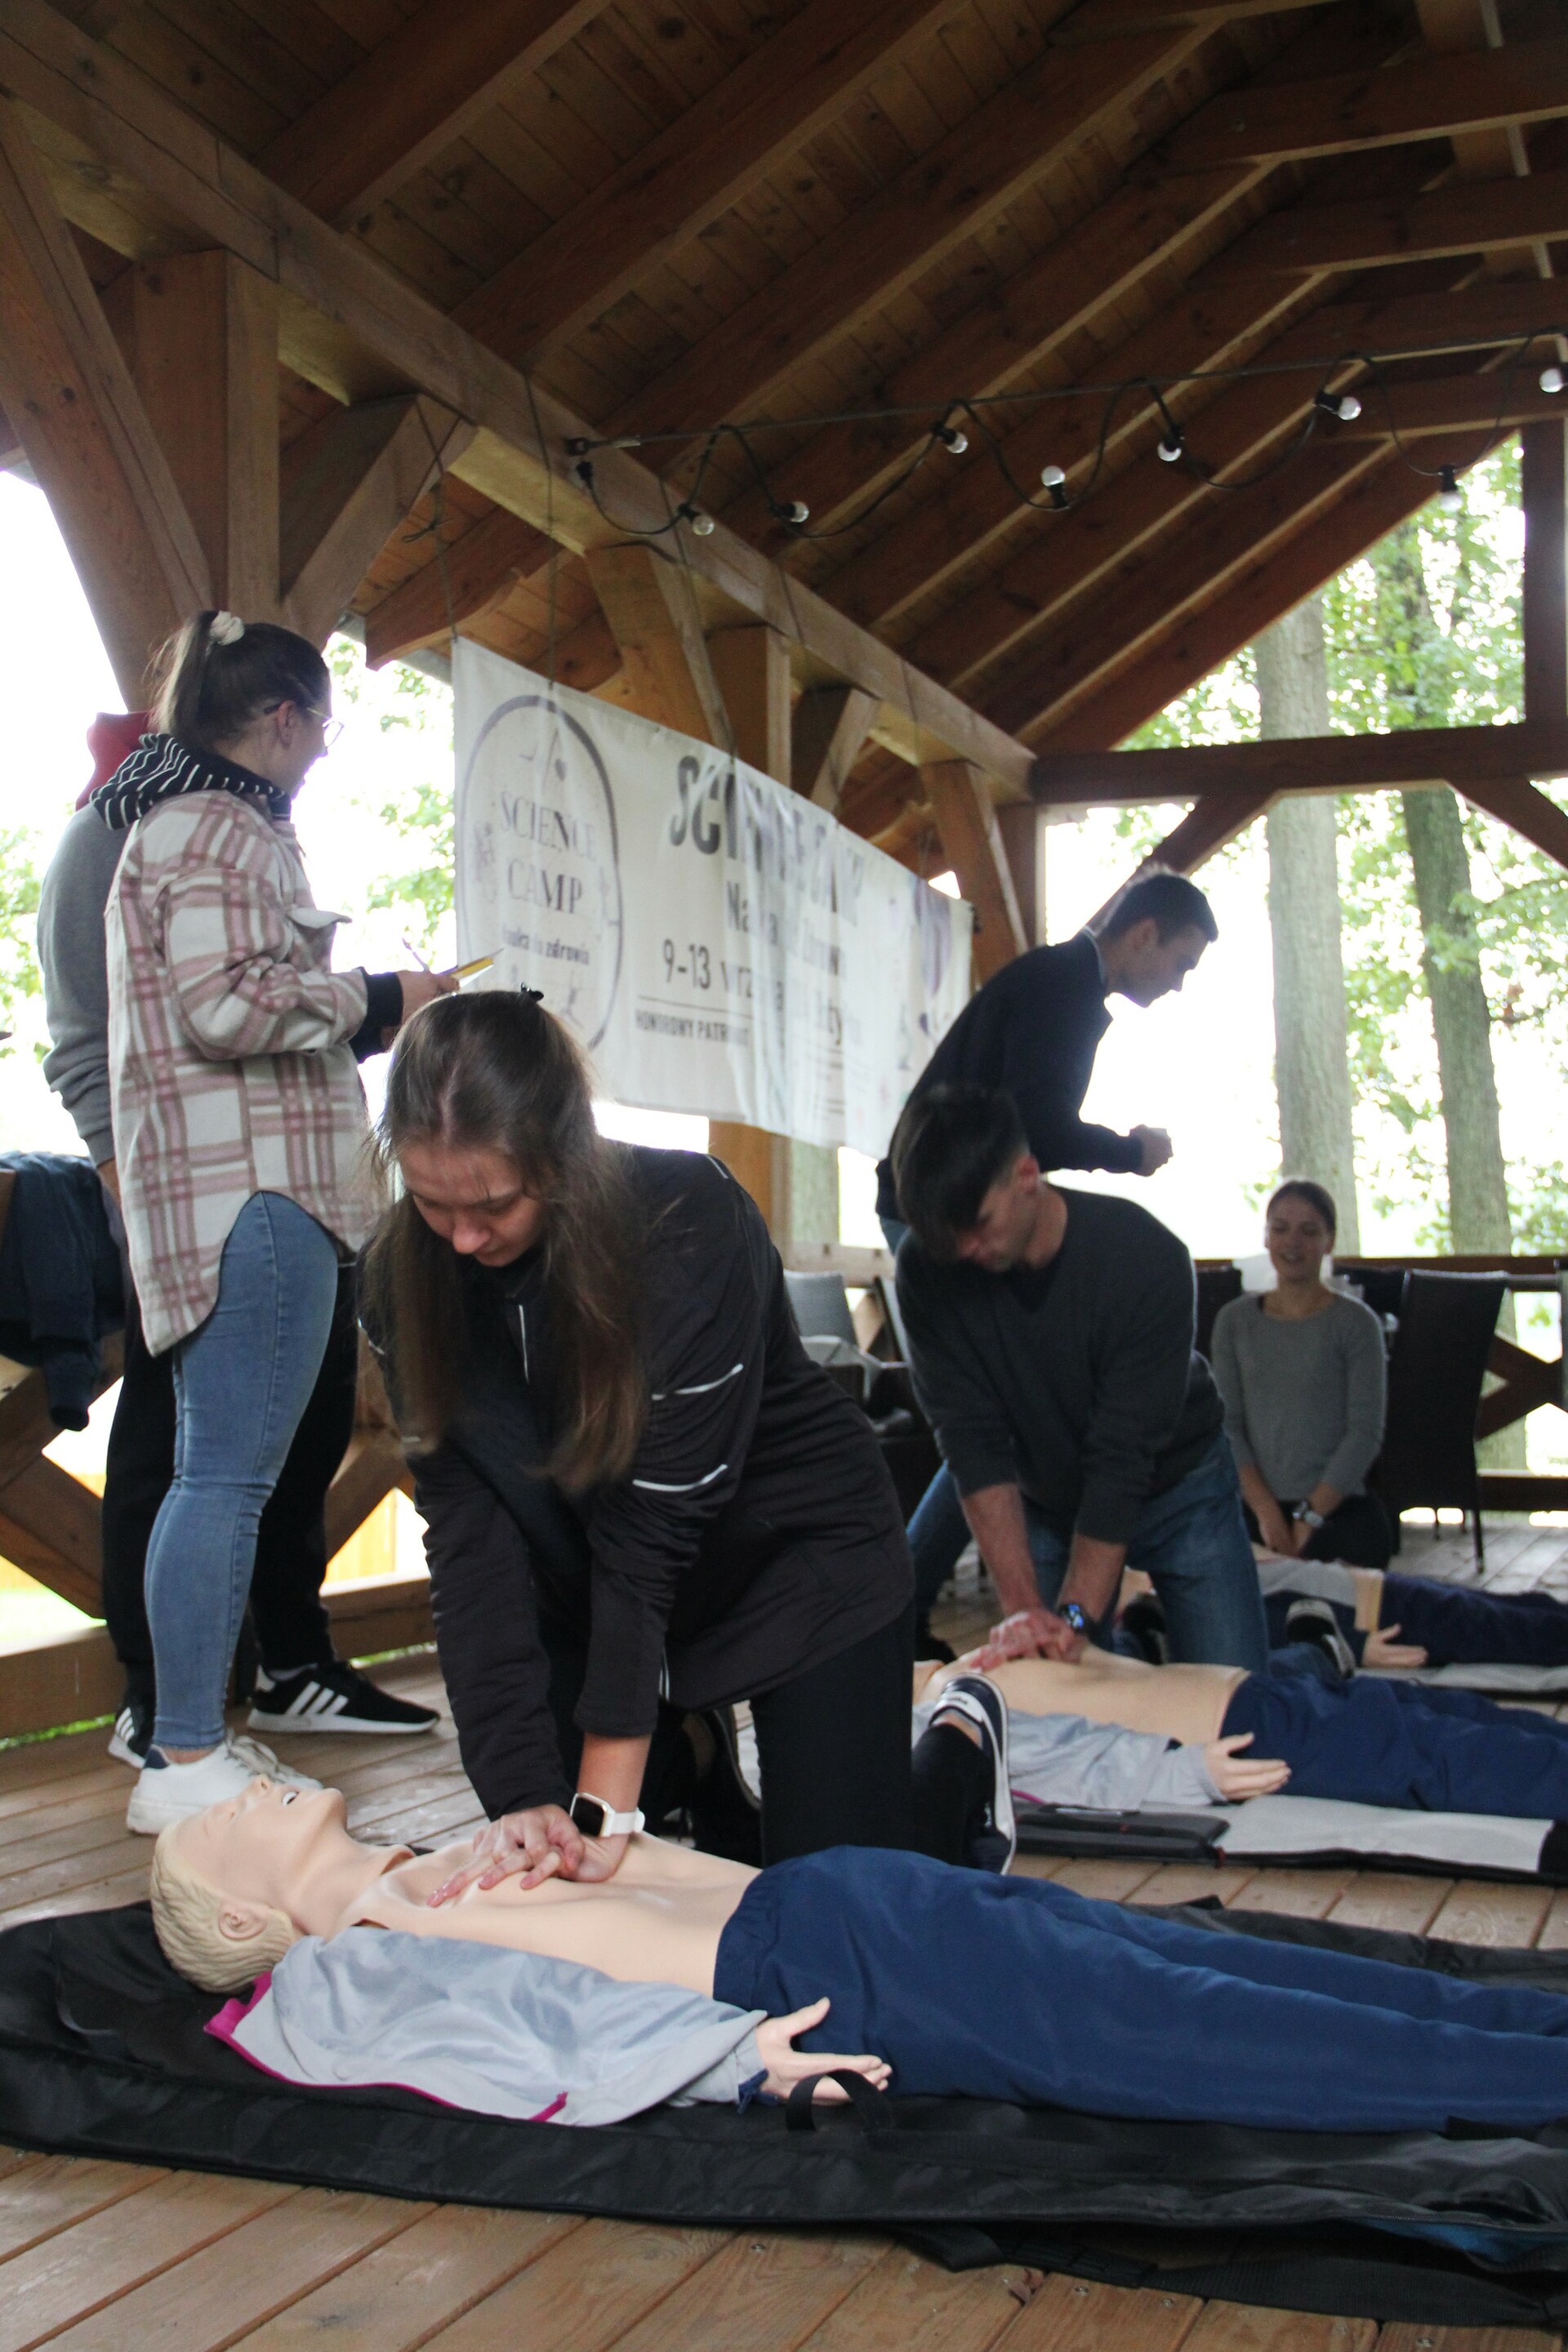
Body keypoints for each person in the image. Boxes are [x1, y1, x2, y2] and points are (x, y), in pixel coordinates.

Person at [150, 1774, 1568, 2136]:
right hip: (828, 1976)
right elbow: (510, 2049)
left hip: (837, 1895)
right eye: (218, 1822)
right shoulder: (339, 1970)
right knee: (1202, 2029)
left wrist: (597, 1846)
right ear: (238, 1915)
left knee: (1236, 1973)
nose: (240, 1789)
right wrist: (729, 2061)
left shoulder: (429, 1863)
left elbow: (639, 1897)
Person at [361, 988, 915, 1891]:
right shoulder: (399, 1277)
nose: (461, 1239)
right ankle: (689, 1751)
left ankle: (962, 1746)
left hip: (796, 1566)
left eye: (493, 1205)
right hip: (595, 1590)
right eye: (430, 1202)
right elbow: (469, 1542)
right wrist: (520, 1793)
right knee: (561, 1864)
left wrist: (602, 1807)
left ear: (562, 1153)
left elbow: (647, 1541)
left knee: (845, 1901)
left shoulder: (687, 1223)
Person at [102, 611, 452, 1834]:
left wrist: (366, 1006)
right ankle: (186, 1753)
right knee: (225, 1479)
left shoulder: (179, 821)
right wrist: (383, 992)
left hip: (237, 1193)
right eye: (324, 727)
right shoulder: (218, 826)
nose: (320, 751)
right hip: (257, 1198)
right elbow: (225, 1005)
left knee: (217, 1476)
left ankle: (187, 1742)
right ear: (287, 718)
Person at [875, 871, 1218, 1646]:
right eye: (1180, 963)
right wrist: (1132, 1151)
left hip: (947, 1203)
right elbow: (1041, 1126)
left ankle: (918, 1597)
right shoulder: (1066, 989)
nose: (1177, 984)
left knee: (989, 1418)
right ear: (1144, 934)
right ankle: (904, 1601)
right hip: (937, 1211)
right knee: (980, 1420)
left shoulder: (1057, 982)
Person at [891, 1084, 1268, 1673]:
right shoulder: (927, 1268)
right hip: (1049, 1500)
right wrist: (1026, 1615)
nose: (963, 1250)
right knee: (1061, 1690)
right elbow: (971, 1444)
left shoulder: (1145, 1258)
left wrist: (1073, 1618)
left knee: (1235, 1691)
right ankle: (1136, 1645)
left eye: (978, 1223)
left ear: (1027, 1174)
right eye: (945, 1236)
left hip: (1180, 1486)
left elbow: (1120, 1460)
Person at [919, 1643, 1568, 1824]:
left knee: (1467, 1722)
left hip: (1267, 1695)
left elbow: (1107, 1672)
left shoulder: (956, 1668)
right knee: (1465, 1757)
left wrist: (1071, 1636)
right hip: (1248, 1734)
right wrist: (1188, 1773)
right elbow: (1069, 1764)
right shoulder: (944, 1718)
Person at [1210, 1181, 1393, 1570]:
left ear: (1329, 1241)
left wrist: (1310, 1514)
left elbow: (1365, 1432)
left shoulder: (1358, 1324)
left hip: (1339, 1507)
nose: (1293, 1242)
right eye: (1280, 1229)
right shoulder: (1234, 1322)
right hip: (1252, 1506)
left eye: (1309, 1231)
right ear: (1266, 1237)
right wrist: (1267, 1512)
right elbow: (1227, 1426)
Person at [1254, 1552, 1568, 1674]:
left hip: (1379, 1593)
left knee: (1528, 1611)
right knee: (1529, 1631)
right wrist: (1352, 1644)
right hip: (1377, 1618)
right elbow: (1253, 1622)